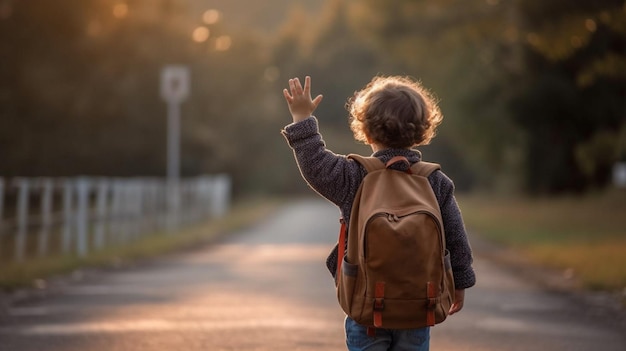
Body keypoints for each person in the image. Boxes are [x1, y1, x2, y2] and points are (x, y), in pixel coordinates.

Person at [281, 75, 476, 351]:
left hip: (367, 306)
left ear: (366, 131)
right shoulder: (435, 181)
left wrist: (302, 118)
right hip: (420, 305)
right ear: (423, 131)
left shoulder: (356, 177)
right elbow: (456, 238)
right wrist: (461, 282)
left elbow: (315, 164)